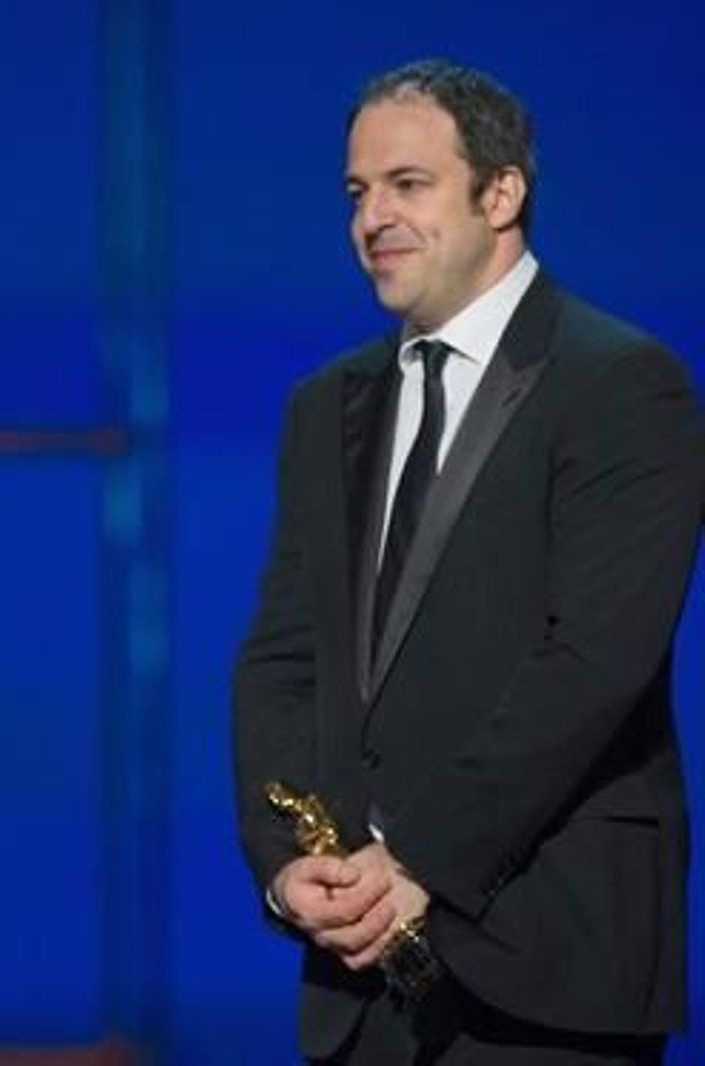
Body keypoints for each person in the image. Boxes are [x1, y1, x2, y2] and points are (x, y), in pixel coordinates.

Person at [232, 58, 703, 1064]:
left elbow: (591, 663)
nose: (372, 219)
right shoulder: (325, 406)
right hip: (357, 969)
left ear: (502, 193)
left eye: (408, 185)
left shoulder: (620, 383)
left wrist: (418, 862)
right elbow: (282, 656)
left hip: (543, 958)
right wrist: (288, 867)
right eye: (357, 193)